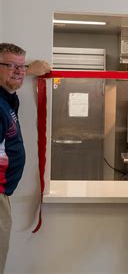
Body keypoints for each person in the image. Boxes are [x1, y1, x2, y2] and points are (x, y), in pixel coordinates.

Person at [0, 43, 50, 273]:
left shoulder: (6, 98)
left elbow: (12, 81)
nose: (19, 71)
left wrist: (27, 70)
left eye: (21, 66)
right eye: (11, 65)